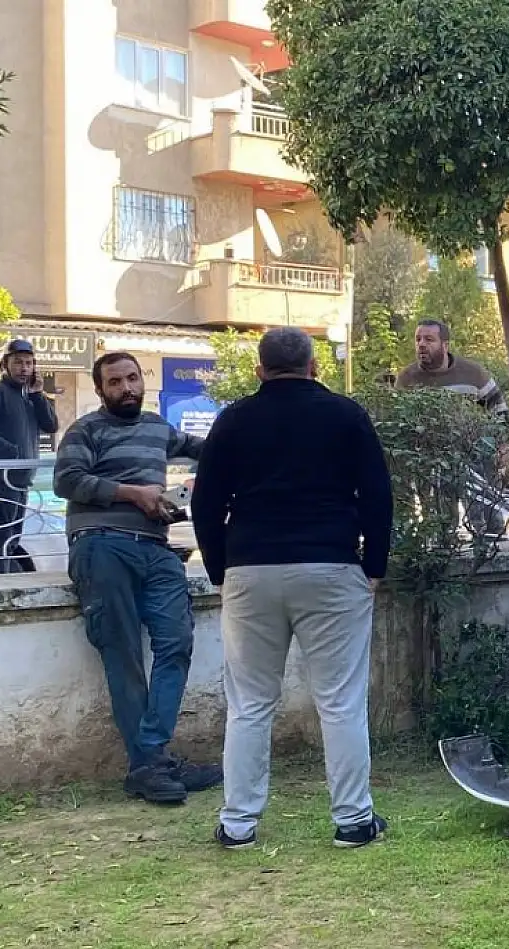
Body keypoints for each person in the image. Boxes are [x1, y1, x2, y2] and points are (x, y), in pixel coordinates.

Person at [191, 328, 394, 850]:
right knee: (341, 701)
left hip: (250, 567)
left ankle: (238, 823)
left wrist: (220, 567)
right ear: (313, 367)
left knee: (250, 704)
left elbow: (206, 502)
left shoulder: (233, 419)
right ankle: (353, 820)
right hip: (330, 564)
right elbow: (377, 492)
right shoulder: (346, 415)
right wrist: (374, 564)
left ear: (259, 371)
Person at [54, 352, 221, 805]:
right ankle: (154, 763)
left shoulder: (157, 427)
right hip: (102, 545)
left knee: (176, 642)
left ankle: (149, 759)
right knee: (124, 653)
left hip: (157, 549)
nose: (126, 387)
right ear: (100, 389)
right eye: (115, 382)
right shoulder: (86, 430)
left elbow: (208, 448)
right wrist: (133, 494)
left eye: (132, 378)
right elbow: (66, 480)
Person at [396, 319, 509, 535]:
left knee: (487, 519)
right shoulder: (407, 379)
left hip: (472, 458)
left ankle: (494, 554)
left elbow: (499, 409)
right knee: (440, 524)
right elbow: (398, 421)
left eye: (429, 339)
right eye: (418, 339)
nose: (421, 344)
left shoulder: (473, 374)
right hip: (431, 461)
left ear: (445, 345)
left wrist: (503, 444)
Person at [0, 339, 59, 573]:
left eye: (29, 363)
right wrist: (9, 451)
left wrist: (38, 395)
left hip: (20, 481)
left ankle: (5, 587)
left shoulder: (29, 397)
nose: (24, 368)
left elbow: (51, 425)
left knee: (12, 540)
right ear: (5, 364)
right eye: (18, 362)